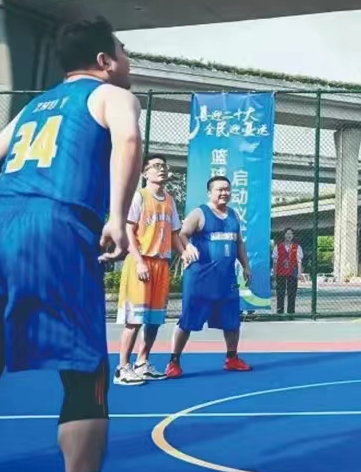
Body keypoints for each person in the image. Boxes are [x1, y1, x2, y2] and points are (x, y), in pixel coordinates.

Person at [0, 17, 141, 472]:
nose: (128, 59)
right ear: (104, 61)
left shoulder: (34, 106)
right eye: (124, 50)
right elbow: (128, 142)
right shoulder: (111, 95)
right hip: (54, 225)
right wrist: (116, 218)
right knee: (85, 368)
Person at [164, 176, 253, 378]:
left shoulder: (233, 215)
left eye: (227, 189)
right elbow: (181, 234)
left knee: (232, 320)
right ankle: (174, 361)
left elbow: (239, 243)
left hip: (227, 279)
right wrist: (188, 247)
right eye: (220, 189)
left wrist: (246, 266)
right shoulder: (199, 213)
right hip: (200, 279)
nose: (224, 193)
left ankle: (232, 358)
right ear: (209, 192)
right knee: (187, 320)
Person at [114, 154, 183, 385]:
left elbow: (175, 233)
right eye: (155, 166)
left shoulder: (170, 200)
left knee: (153, 320)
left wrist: (185, 252)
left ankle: (142, 363)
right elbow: (128, 231)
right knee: (134, 320)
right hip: (141, 262)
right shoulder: (139, 196)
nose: (161, 169)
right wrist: (139, 261)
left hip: (161, 264)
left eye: (163, 166)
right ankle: (122, 368)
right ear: (145, 173)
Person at [272, 228, 303, 316]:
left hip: (292, 272)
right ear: (284, 235)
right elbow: (275, 261)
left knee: (292, 293)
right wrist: (274, 273)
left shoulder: (297, 247)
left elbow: (299, 261)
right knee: (280, 293)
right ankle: (280, 311)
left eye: (291, 234)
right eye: (287, 233)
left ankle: (291, 311)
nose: (289, 235)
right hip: (280, 272)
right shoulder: (278, 247)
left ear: (293, 236)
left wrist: (299, 273)